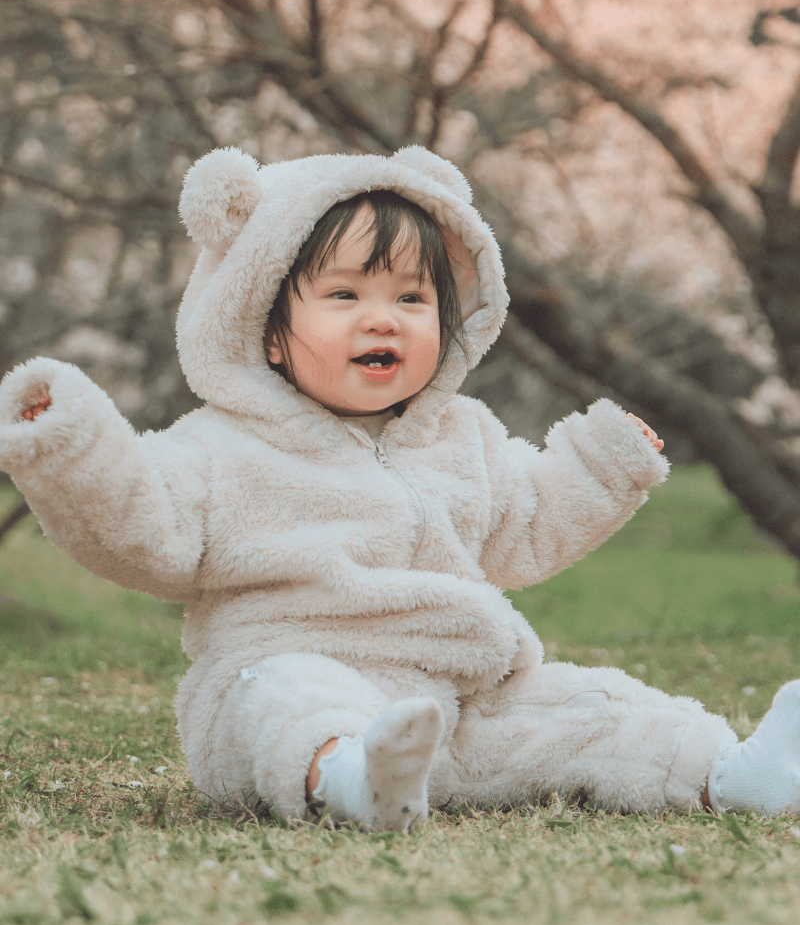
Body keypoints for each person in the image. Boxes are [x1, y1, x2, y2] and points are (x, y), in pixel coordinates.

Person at [0, 145, 797, 831]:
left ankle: (730, 774)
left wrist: (600, 464)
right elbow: (146, 526)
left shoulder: (465, 437)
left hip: (463, 701)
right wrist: (72, 448)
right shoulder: (221, 448)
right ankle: (351, 778)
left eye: (411, 298)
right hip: (288, 664)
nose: (383, 320)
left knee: (592, 707)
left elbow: (526, 524)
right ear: (269, 330)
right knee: (286, 696)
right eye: (345, 295)